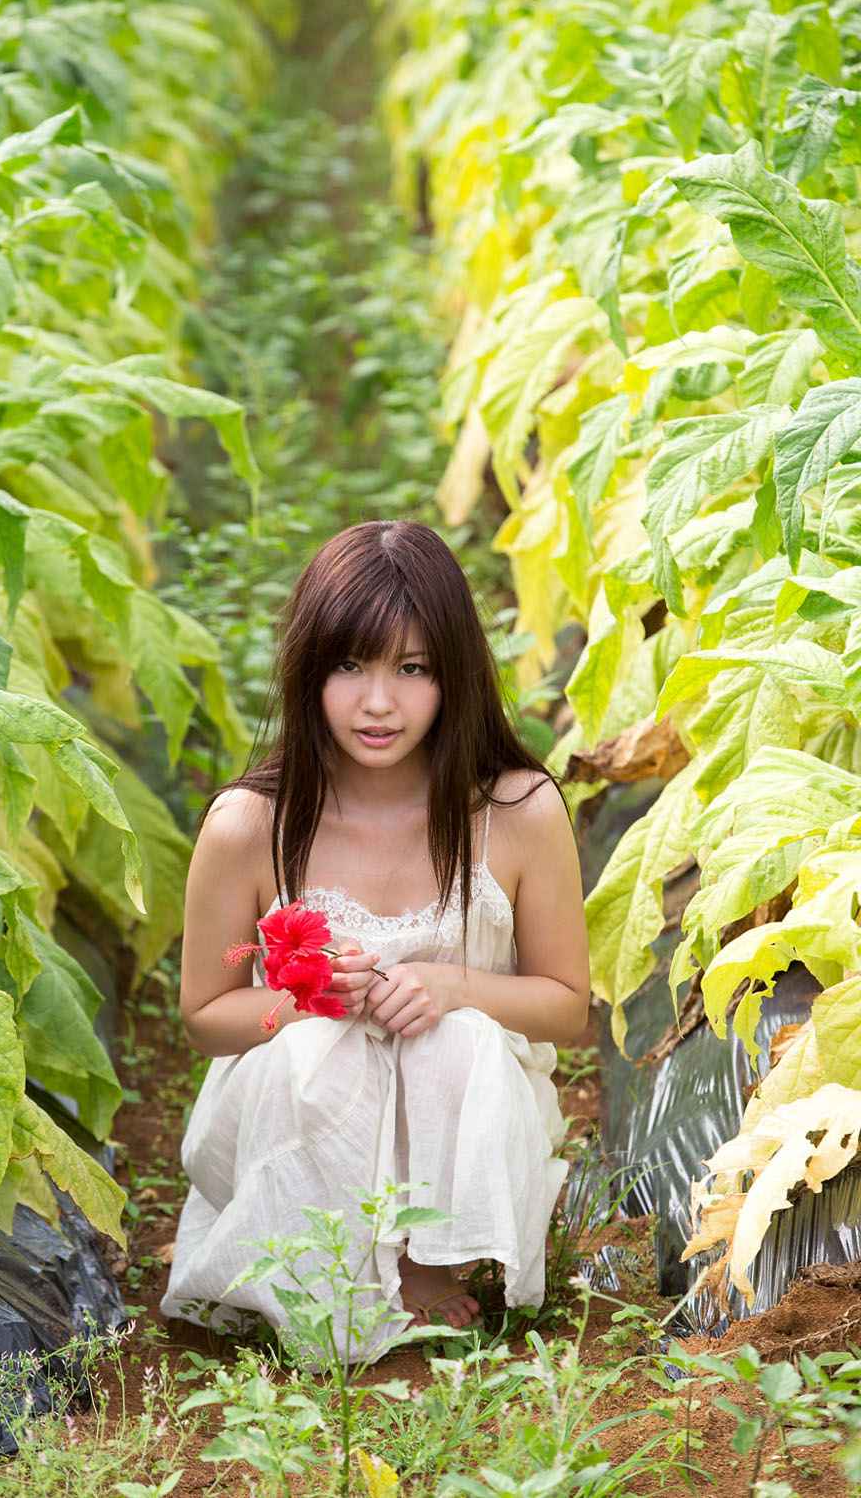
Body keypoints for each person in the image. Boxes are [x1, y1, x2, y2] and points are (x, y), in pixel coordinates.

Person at [160, 520, 590, 1351]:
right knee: (310, 1050)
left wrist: (452, 985)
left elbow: (567, 1006)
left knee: (450, 1036)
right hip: (290, 1115)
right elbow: (204, 1017)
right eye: (349, 665)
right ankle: (318, 1269)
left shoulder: (517, 811)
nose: (379, 701)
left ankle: (432, 1257)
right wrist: (306, 998)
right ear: (307, 670)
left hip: (469, 1115)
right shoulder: (250, 825)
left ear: (453, 675)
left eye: (413, 668)